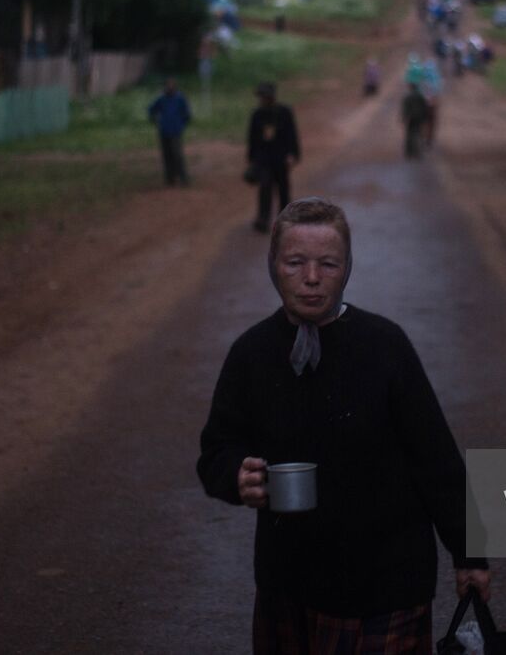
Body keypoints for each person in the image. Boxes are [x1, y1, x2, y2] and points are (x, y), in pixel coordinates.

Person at [197, 198, 490, 654]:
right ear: (273, 264)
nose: (312, 277)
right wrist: (237, 476)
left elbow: (436, 461)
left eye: (328, 264)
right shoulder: (252, 354)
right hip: (288, 587)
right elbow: (217, 450)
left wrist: (469, 554)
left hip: (385, 590)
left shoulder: (385, 347)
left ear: (347, 267)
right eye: (295, 262)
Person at [247, 82, 300, 233]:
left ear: (271, 97)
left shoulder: (284, 112)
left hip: (281, 158)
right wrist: (252, 159)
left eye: (264, 96)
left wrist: (293, 154)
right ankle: (263, 219)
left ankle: (285, 219)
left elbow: (292, 134)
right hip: (264, 159)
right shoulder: (257, 114)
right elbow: (252, 138)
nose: (262, 99)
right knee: (265, 187)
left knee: (283, 189)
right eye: (261, 96)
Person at [147, 78, 192, 186]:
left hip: (175, 131)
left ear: (175, 87)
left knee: (177, 155)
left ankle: (183, 178)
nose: (169, 88)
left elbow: (187, 114)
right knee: (167, 155)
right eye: (167, 85)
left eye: (171, 85)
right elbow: (151, 109)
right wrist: (154, 120)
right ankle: (170, 178)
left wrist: (181, 125)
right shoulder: (161, 98)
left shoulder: (180, 98)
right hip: (164, 131)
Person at [400, 82, 430, 160]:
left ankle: (409, 152)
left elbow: (405, 108)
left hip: (411, 117)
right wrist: (426, 118)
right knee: (419, 133)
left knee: (409, 134)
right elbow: (425, 107)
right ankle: (418, 151)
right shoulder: (421, 96)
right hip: (419, 117)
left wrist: (403, 118)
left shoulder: (408, 96)